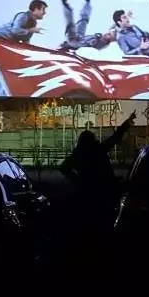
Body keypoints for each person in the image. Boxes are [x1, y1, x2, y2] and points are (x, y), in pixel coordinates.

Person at [59, 110, 137, 257]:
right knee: (105, 223)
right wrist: (126, 124)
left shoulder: (79, 154)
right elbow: (114, 138)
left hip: (85, 194)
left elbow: (63, 168)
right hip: (103, 193)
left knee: (87, 224)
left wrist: (76, 179)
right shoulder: (98, 150)